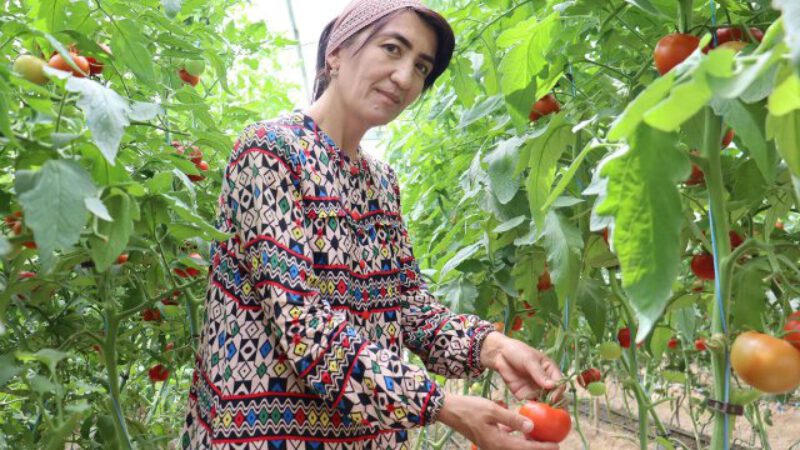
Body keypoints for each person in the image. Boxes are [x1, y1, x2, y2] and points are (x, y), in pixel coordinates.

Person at [180, 1, 565, 448]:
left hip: (363, 437)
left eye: (421, 67)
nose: (404, 77)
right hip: (264, 434)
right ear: (336, 53)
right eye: (392, 49)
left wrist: (492, 347)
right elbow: (301, 324)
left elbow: (409, 309)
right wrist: (443, 405)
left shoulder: (381, 182)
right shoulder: (270, 152)